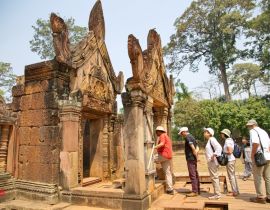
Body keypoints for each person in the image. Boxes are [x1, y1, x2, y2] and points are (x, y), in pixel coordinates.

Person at [246, 119, 270, 204]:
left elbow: (256, 143)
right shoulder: (264, 131)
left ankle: (260, 197)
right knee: (267, 177)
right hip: (267, 156)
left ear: (252, 125)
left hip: (259, 157)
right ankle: (269, 196)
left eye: (248, 126)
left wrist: (252, 155)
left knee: (258, 176)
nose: (248, 127)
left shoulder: (253, 131)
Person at [179, 127, 200, 197]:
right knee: (195, 174)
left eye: (181, 133)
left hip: (191, 158)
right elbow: (197, 147)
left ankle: (194, 191)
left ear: (184, 132)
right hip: (193, 158)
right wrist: (197, 157)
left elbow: (193, 148)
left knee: (192, 175)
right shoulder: (192, 137)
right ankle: (197, 190)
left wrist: (197, 157)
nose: (182, 135)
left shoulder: (187, 137)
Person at [154, 126, 174, 195]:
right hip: (168, 156)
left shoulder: (162, 135)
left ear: (159, 131)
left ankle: (154, 175)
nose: (156, 133)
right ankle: (170, 189)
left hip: (163, 155)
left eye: (156, 131)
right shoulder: (166, 136)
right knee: (168, 172)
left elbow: (162, 144)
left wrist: (154, 147)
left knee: (149, 159)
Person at [204, 127, 222, 200]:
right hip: (211, 162)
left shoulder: (212, 139)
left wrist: (214, 155)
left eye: (205, 132)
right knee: (214, 177)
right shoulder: (210, 140)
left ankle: (217, 194)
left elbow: (219, 148)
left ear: (209, 134)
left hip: (213, 162)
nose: (204, 133)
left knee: (214, 177)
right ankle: (217, 193)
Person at [220, 129, 239, 196]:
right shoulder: (230, 140)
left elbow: (230, 151)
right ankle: (236, 190)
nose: (221, 134)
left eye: (222, 133)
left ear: (225, 134)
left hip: (230, 160)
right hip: (231, 160)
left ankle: (235, 191)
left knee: (231, 176)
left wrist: (222, 153)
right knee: (232, 176)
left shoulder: (228, 141)